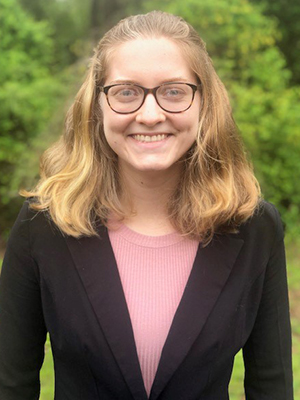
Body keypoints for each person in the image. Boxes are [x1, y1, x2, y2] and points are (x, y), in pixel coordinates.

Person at [0, 10, 293, 400]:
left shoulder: (255, 226)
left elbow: (271, 387)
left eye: (174, 91)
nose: (150, 115)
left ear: (204, 102)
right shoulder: (44, 223)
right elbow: (10, 385)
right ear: (97, 105)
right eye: (126, 92)